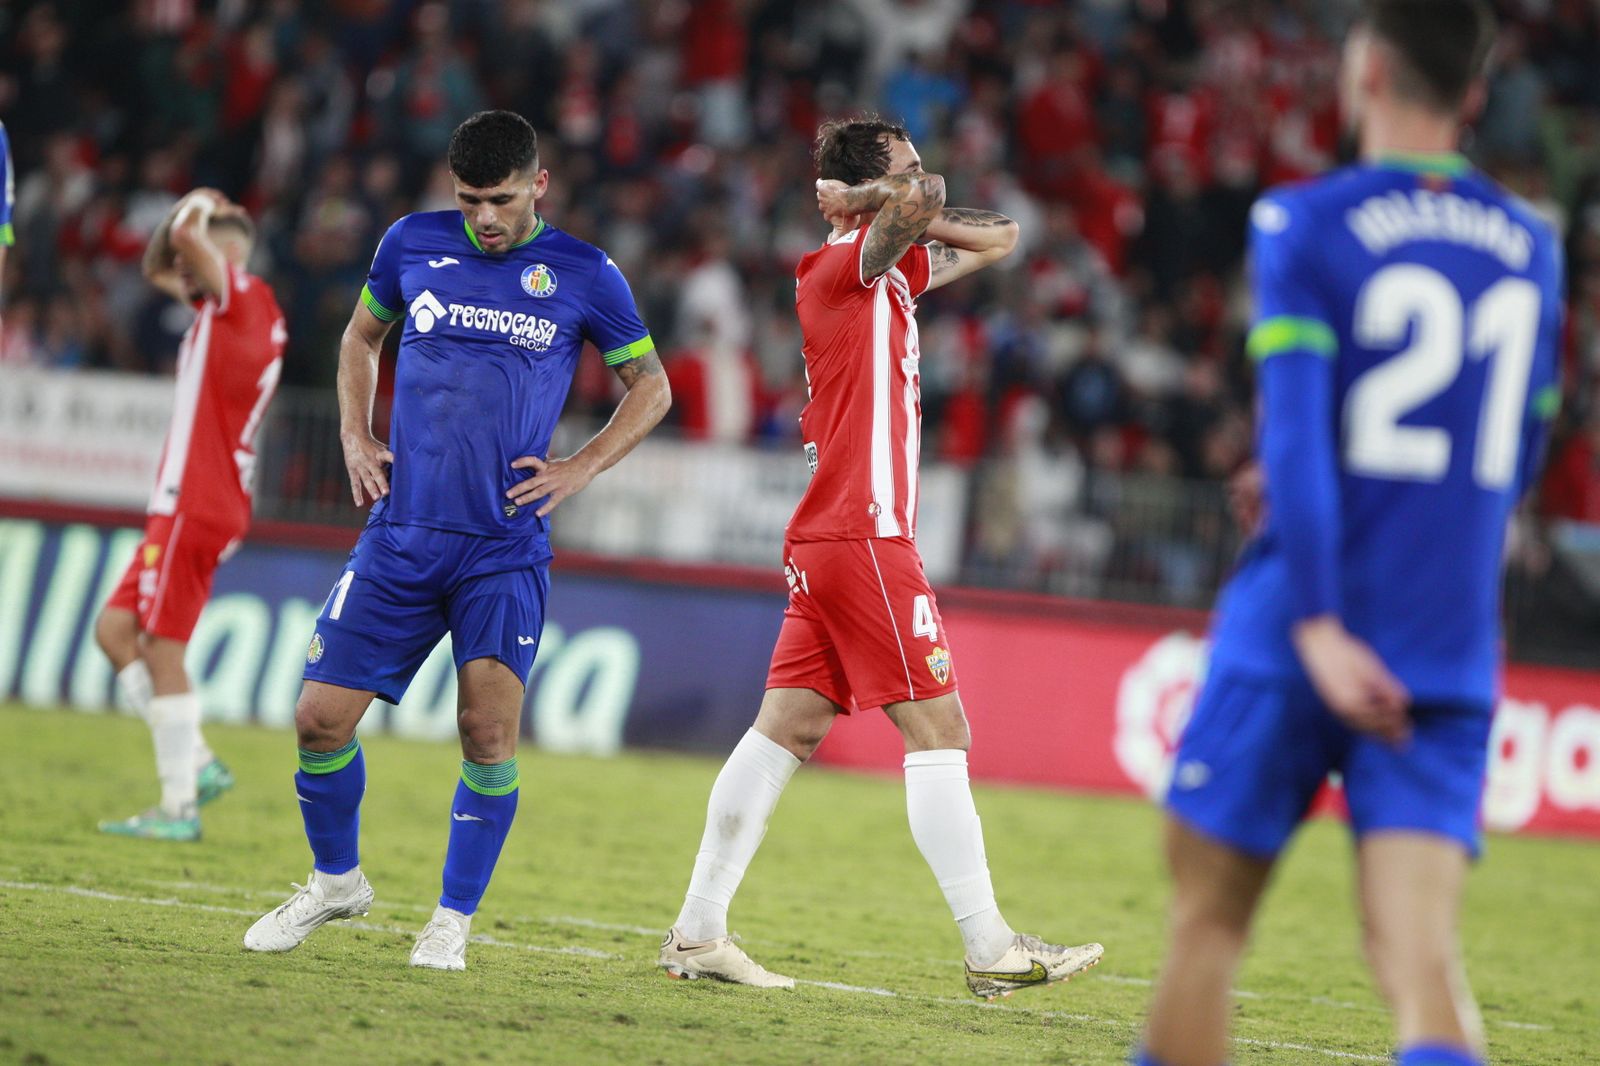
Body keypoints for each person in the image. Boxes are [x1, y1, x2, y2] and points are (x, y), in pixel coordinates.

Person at [1134, 3, 1564, 1065]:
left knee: (1206, 930)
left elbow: (1296, 440)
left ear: (1365, 68)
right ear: (1471, 93)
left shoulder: (1302, 222)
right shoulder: (1532, 249)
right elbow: (1516, 451)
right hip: (1445, 642)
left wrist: (1322, 621)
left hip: (1297, 624)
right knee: (1420, 960)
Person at [659, 116, 1104, 997]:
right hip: (864, 532)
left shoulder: (890, 265)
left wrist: (883, 196)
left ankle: (699, 932)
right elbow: (926, 205)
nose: (925, 177)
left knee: (787, 728)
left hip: (834, 535)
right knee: (941, 731)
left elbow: (1003, 237)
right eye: (905, 165)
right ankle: (990, 949)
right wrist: (884, 201)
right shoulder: (837, 267)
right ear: (863, 188)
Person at [243, 110, 670, 971]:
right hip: (400, 535)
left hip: (502, 548)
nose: (485, 218)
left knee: (486, 734)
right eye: (471, 198)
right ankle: (336, 884)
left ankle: (451, 921)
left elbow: (650, 385)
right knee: (318, 721)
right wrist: (356, 435)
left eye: (502, 200)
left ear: (538, 186)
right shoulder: (409, 244)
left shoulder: (585, 273)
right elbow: (362, 336)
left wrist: (580, 466)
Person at [94, 189, 286, 840]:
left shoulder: (241, 298)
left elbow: (180, 241)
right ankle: (196, 759)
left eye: (197, 258)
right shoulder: (232, 309)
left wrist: (196, 204)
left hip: (196, 499)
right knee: (115, 631)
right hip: (193, 500)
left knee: (160, 645)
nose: (181, 277)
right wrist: (187, 227)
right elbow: (158, 265)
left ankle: (178, 808)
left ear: (224, 256)